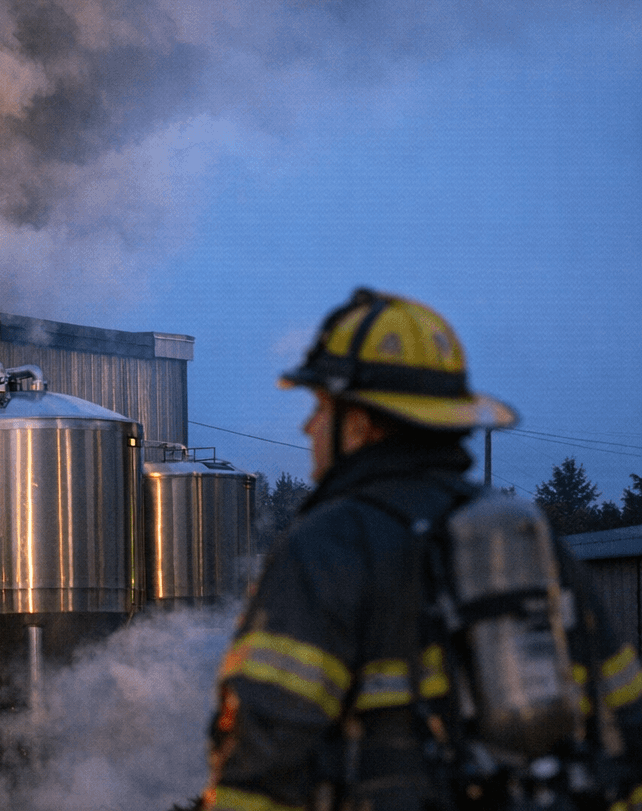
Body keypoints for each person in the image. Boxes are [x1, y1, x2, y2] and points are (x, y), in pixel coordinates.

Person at [203, 289, 641, 811]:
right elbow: (625, 726)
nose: (308, 427)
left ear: (361, 423)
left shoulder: (327, 545)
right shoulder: (529, 537)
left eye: (321, 407)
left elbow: (262, 763)